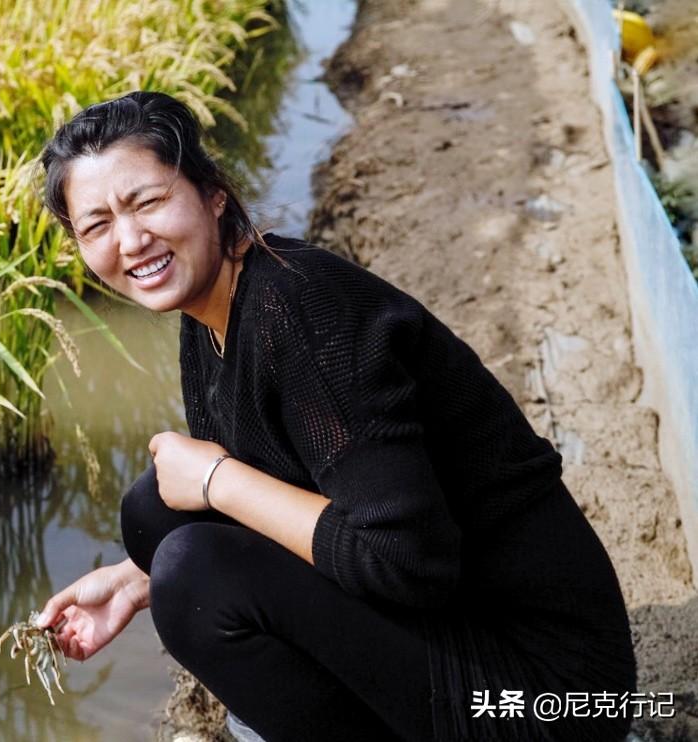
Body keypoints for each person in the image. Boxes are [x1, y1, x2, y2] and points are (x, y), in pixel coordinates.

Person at [32, 90, 637, 741]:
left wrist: (216, 481)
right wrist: (132, 580)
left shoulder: (299, 308)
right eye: (96, 226)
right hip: (463, 629)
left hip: (553, 696)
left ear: (212, 194)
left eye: (147, 201)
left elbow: (406, 560)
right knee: (155, 517)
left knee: (195, 568)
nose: (129, 240)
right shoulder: (209, 308)